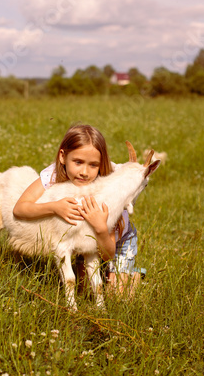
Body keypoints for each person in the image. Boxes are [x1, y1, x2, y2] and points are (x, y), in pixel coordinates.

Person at [13, 123, 145, 298]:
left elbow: (107, 253)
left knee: (117, 297)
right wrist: (53, 207)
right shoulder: (52, 175)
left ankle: (133, 274)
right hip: (84, 239)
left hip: (114, 242)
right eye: (78, 162)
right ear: (63, 157)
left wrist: (100, 228)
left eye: (93, 165)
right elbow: (20, 209)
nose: (84, 172)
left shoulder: (109, 191)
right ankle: (106, 274)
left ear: (101, 165)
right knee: (85, 292)